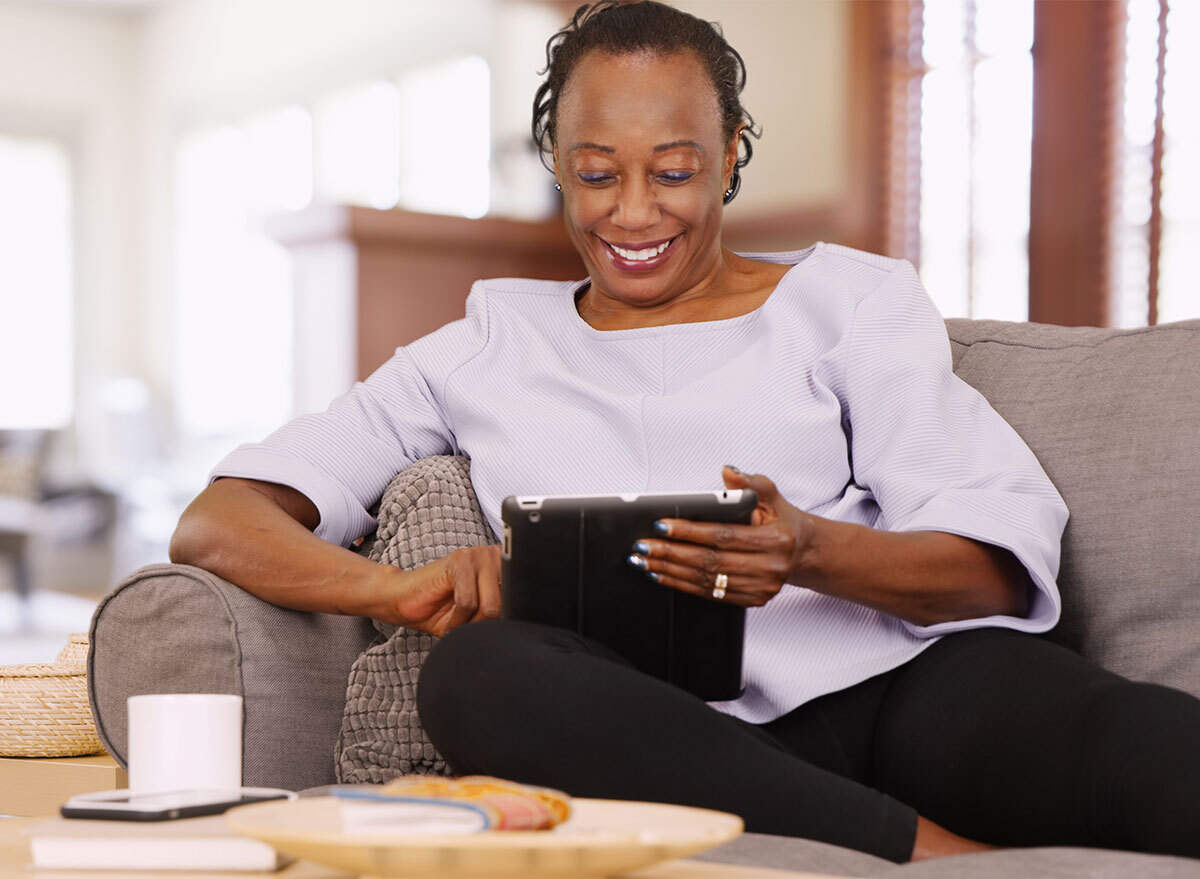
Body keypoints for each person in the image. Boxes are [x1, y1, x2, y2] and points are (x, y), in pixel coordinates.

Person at [169, 0, 1200, 863]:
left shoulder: (849, 301)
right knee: (479, 674)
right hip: (645, 730)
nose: (632, 214)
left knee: (1145, 751)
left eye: (672, 170)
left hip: (896, 691)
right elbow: (221, 522)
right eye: (596, 172)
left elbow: (992, 568)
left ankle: (836, 824)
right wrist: (399, 591)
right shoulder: (483, 340)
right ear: (557, 167)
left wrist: (812, 551)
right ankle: (934, 857)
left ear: (729, 155)